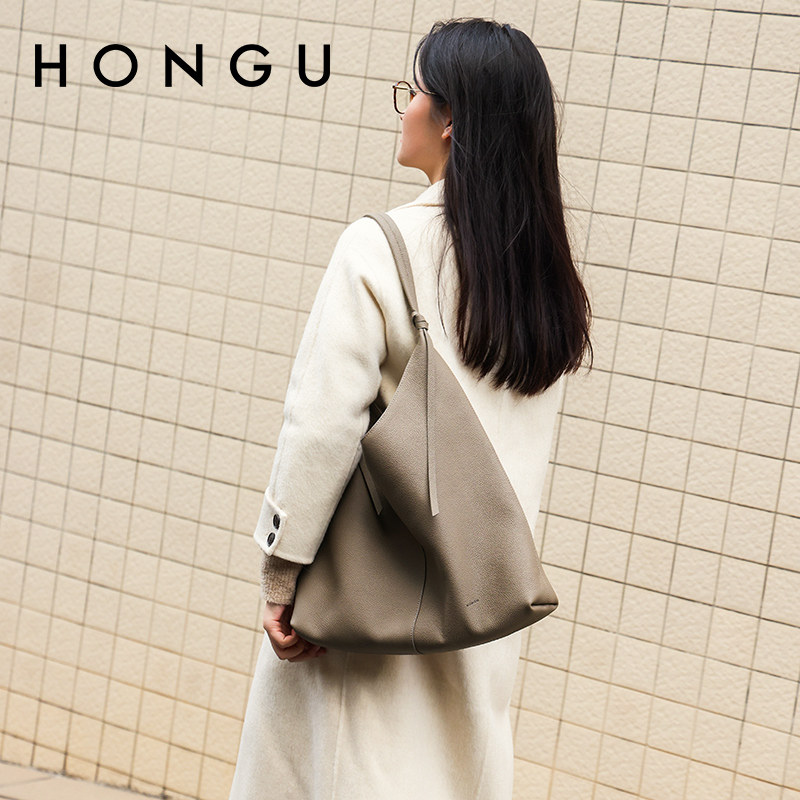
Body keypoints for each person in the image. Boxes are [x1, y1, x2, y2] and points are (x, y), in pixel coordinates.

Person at [228, 17, 591, 800]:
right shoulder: (540, 278)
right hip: (481, 602)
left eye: (414, 92)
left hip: (367, 604)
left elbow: (321, 426)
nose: (406, 108)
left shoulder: (379, 247)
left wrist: (281, 576)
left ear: (450, 117)